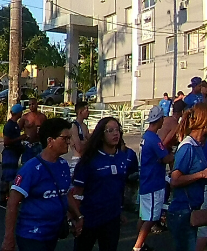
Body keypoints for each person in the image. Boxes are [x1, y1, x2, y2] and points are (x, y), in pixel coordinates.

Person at [0, 118, 79, 251]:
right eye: (65, 138)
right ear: (50, 141)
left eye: (69, 138)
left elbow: (65, 194)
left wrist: (78, 216)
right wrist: (9, 238)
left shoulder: (63, 165)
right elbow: (12, 203)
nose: (69, 142)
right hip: (32, 236)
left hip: (52, 234)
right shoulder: (31, 168)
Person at [69, 117, 139, 251]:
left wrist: (120, 211)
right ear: (101, 135)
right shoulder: (90, 160)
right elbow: (77, 192)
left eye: (117, 130)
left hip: (112, 219)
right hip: (90, 218)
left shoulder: (123, 157)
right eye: (110, 130)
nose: (115, 133)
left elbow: (119, 187)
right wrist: (76, 218)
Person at [167, 103, 207, 251]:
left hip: (192, 210)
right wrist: (201, 174)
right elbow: (175, 180)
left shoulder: (198, 145)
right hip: (182, 212)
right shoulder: (187, 147)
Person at [133, 106, 173, 251]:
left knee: (144, 215)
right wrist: (172, 155)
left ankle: (140, 243)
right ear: (160, 119)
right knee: (151, 218)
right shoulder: (153, 139)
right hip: (153, 183)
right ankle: (138, 246)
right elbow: (166, 157)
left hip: (145, 181)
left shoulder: (146, 136)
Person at [1, 104, 26, 209]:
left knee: (11, 176)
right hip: (9, 153)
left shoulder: (15, 125)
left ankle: (8, 198)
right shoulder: (9, 125)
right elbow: (6, 142)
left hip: (15, 153)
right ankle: (3, 199)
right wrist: (20, 138)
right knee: (7, 177)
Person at [20, 99, 46, 164]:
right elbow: (17, 130)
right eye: (29, 105)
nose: (31, 106)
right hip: (27, 145)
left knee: (39, 165)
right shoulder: (25, 117)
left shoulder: (42, 117)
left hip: (38, 145)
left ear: (37, 104)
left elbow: (47, 130)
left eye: (33, 104)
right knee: (26, 165)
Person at [69, 101, 90, 174]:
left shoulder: (84, 126)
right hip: (77, 160)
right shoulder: (74, 126)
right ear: (80, 112)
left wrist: (84, 142)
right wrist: (86, 142)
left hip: (85, 159)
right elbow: (79, 148)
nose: (89, 112)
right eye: (86, 110)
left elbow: (93, 142)